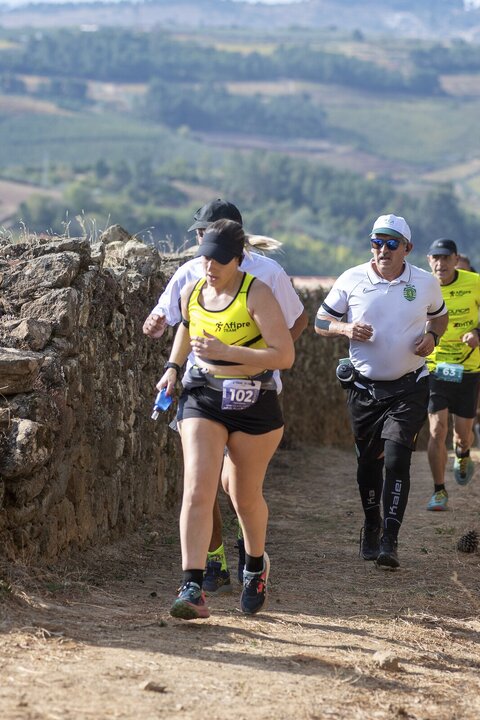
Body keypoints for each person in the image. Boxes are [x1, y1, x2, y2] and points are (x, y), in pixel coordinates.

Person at [143, 199, 307, 593]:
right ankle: (198, 577)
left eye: (213, 244)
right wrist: (171, 365)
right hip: (203, 392)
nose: (207, 258)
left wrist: (251, 357)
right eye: (201, 240)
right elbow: (181, 321)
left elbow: (292, 334)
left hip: (256, 393)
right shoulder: (192, 275)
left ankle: (253, 560)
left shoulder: (265, 280)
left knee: (241, 493)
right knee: (199, 486)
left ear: (238, 250)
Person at [314, 214, 448, 569]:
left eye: (391, 244)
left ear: (407, 248)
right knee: (368, 465)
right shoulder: (352, 278)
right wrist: (345, 329)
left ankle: (390, 538)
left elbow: (439, 316)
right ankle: (372, 525)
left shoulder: (424, 282)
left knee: (396, 459)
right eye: (377, 242)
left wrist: (432, 336)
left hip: (409, 387)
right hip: (364, 390)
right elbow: (320, 321)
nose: (383, 250)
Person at [425, 238, 480, 510]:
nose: (441, 263)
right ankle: (439, 491)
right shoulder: (423, 286)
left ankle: (463, 452)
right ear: (429, 260)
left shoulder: (474, 282)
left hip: (467, 366)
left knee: (462, 434)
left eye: (446, 258)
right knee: (437, 429)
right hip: (435, 366)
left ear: (456, 259)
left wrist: (478, 332)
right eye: (436, 258)